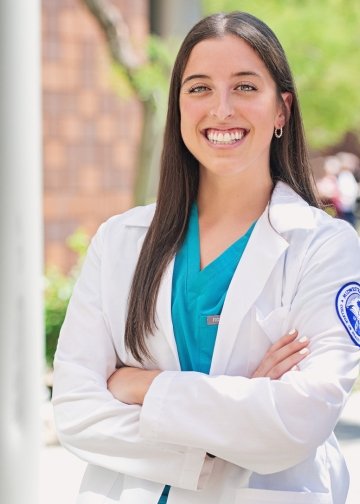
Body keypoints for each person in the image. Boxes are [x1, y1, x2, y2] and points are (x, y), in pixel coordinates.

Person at [52, 11, 360, 504]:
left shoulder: (324, 247)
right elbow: (74, 409)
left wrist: (143, 386)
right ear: (177, 107)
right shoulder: (119, 242)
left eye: (244, 87)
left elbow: (302, 417)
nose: (221, 110)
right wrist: (232, 421)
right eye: (198, 88)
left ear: (281, 110)